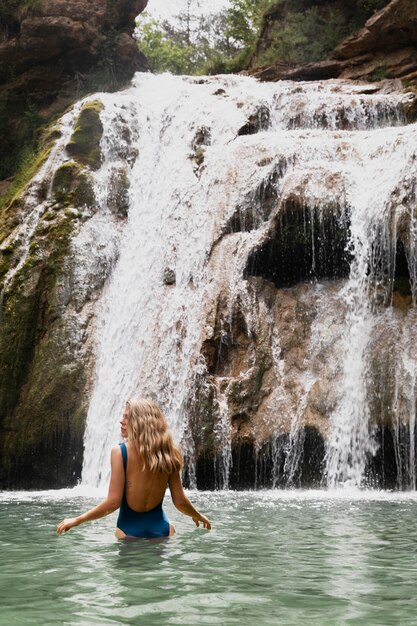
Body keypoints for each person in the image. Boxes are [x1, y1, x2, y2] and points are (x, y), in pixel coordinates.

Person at [57, 398, 211, 539]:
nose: (121, 421)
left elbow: (112, 503)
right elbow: (180, 502)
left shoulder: (120, 453)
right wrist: (198, 515)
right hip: (164, 531)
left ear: (140, 422)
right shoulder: (169, 453)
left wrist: (78, 519)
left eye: (127, 417)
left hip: (127, 532)